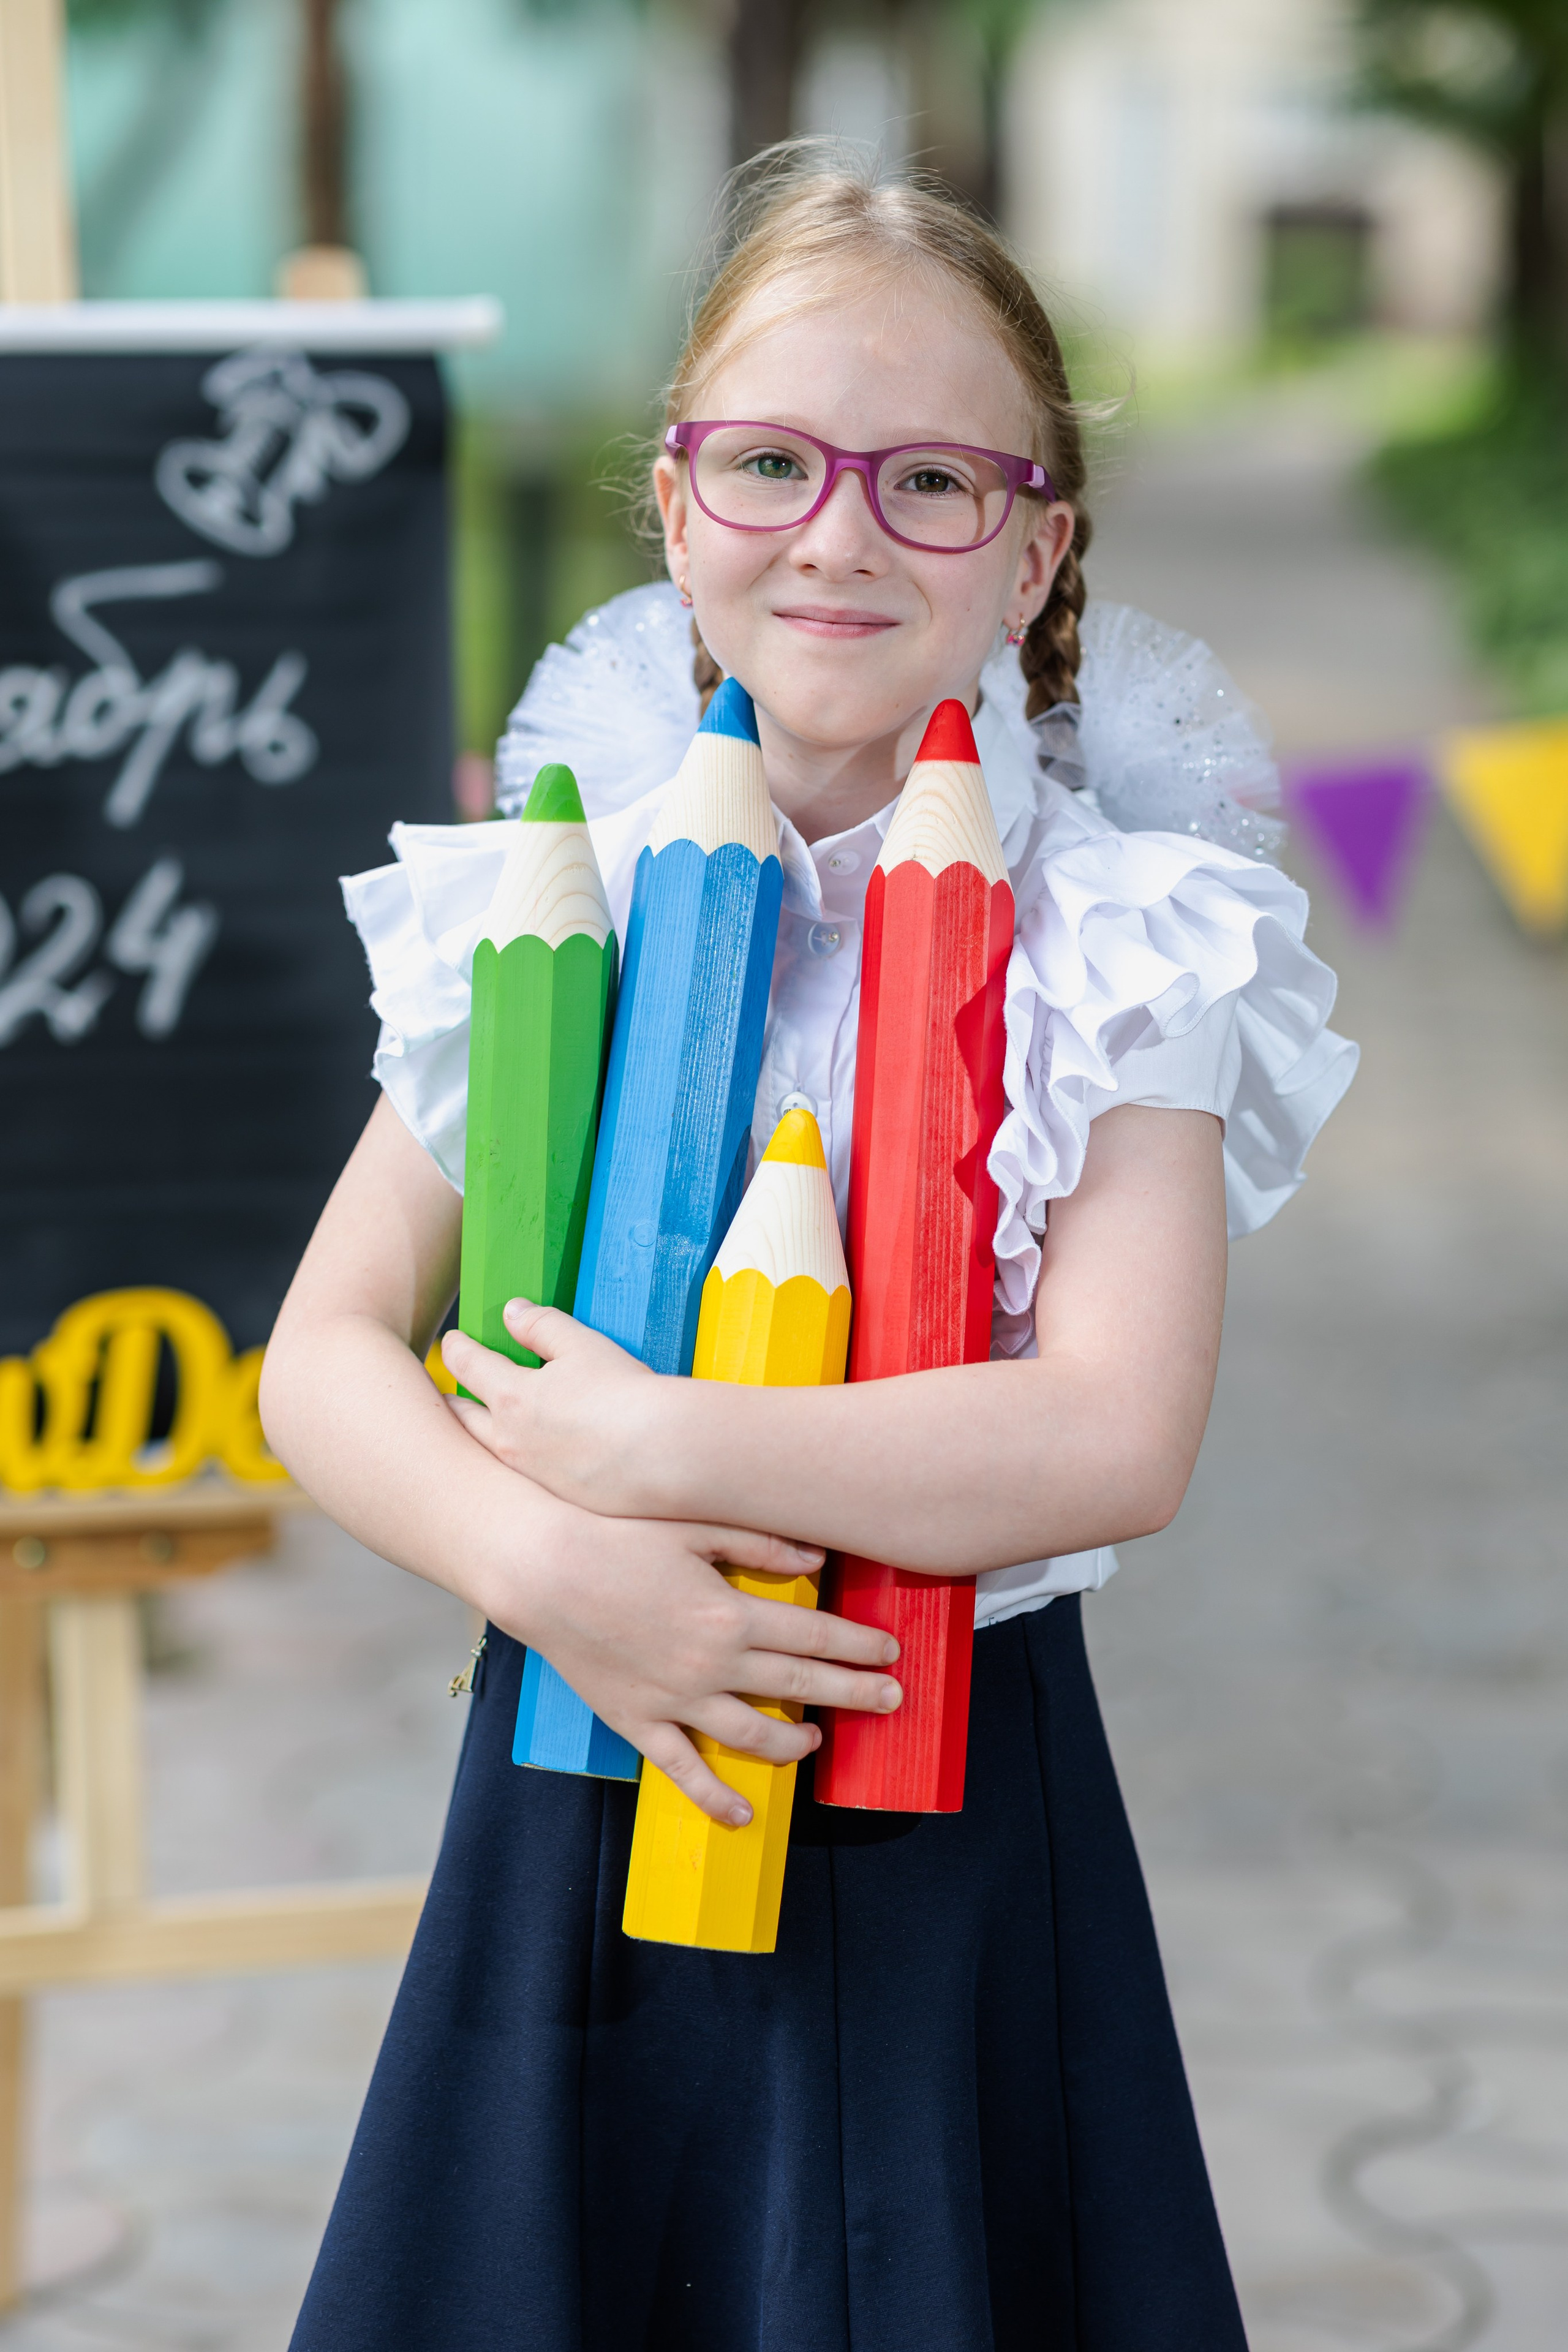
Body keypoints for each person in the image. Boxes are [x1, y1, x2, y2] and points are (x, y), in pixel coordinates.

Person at [268, 145, 1357, 2352]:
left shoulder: (1119, 937)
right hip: (583, 1755)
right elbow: (323, 1355)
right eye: (770, 463)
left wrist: (659, 1450)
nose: (840, 534)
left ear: (1036, 548)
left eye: (929, 481)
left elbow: (1115, 1433)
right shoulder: (550, 902)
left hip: (942, 1796)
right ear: (676, 509)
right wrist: (552, 1563)